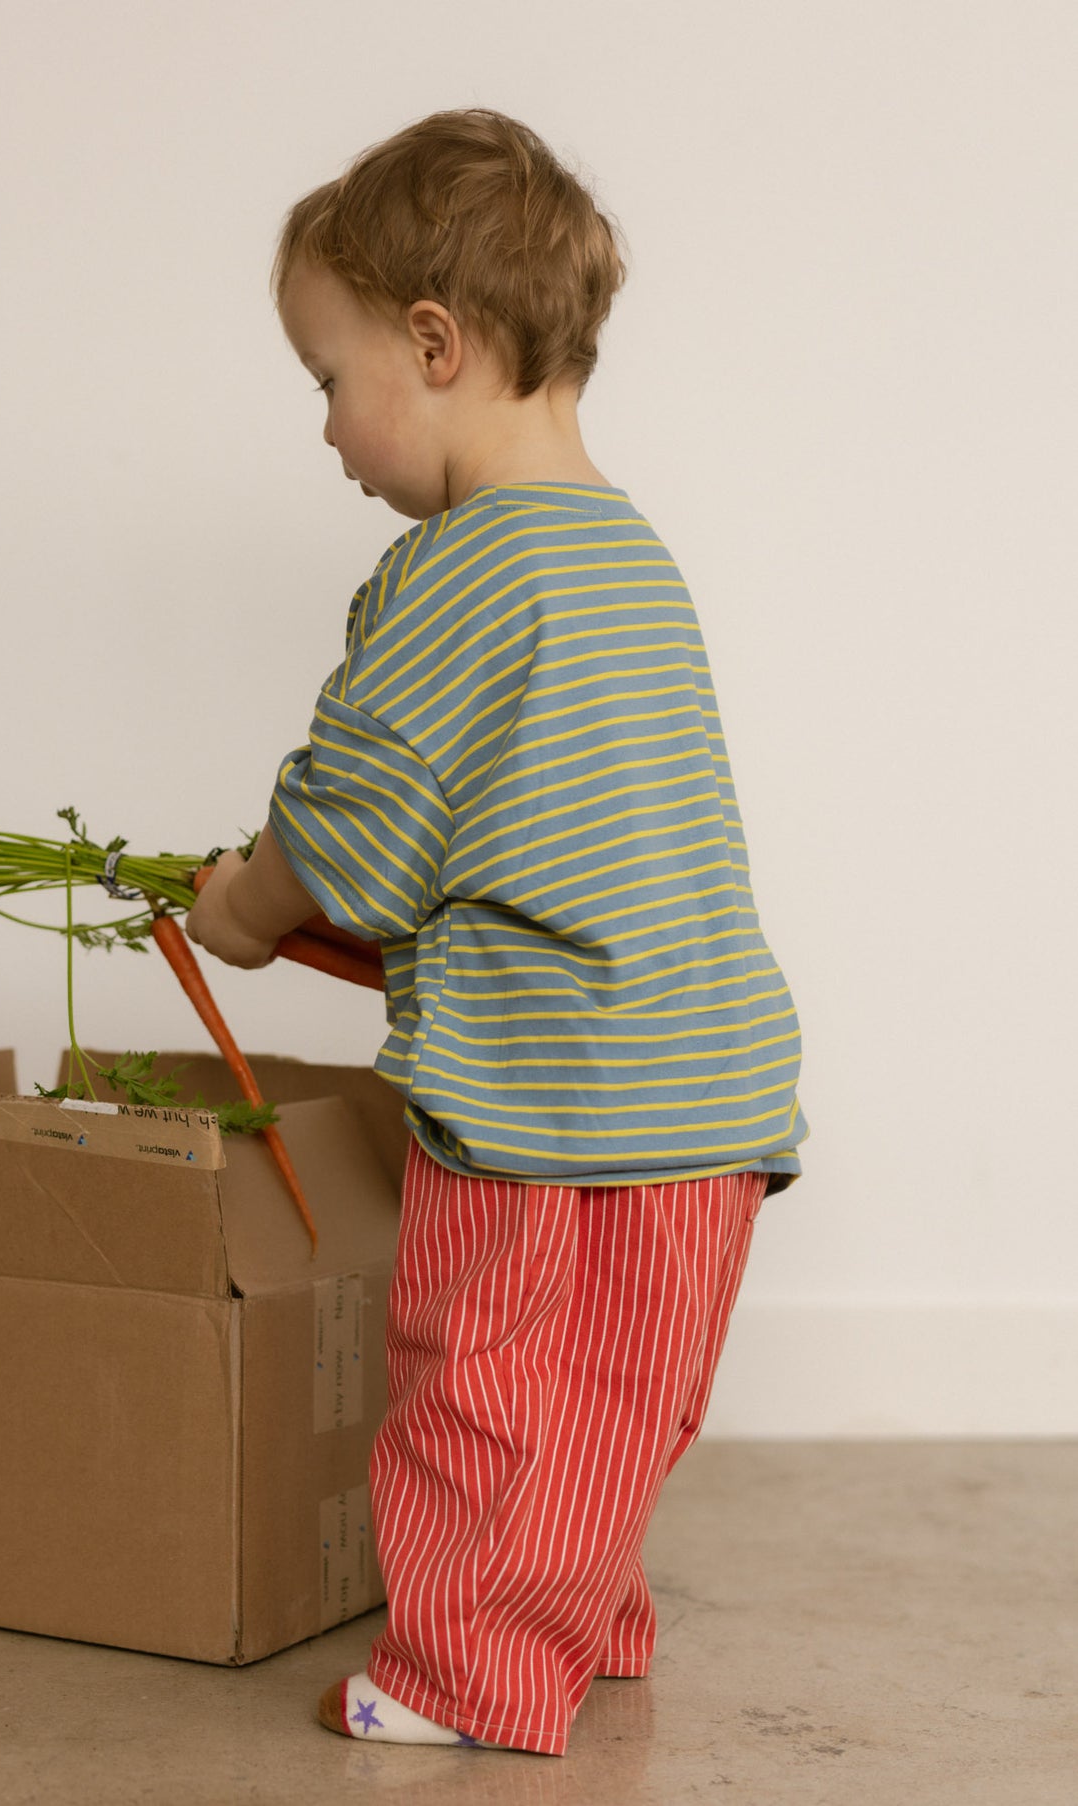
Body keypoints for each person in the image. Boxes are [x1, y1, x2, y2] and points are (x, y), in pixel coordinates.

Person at [183, 107, 809, 1758]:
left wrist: (239, 907)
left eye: (327, 377)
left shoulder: (456, 569)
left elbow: (348, 823)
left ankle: (464, 1673)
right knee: (609, 1398)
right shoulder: (630, 558)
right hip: (712, 1098)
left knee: (479, 1386)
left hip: (553, 1102)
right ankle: (584, 1615)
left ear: (434, 342)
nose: (325, 429)